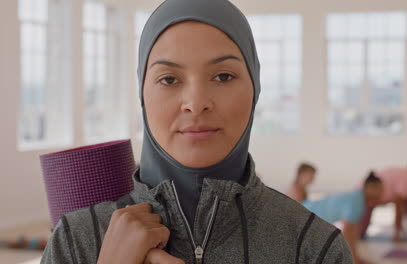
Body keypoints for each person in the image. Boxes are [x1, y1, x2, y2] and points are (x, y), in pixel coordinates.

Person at [40, 0, 353, 263]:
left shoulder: (314, 247)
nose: (196, 103)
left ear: (254, 89)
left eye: (223, 76)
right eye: (169, 79)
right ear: (142, 95)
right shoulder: (74, 239)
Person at [302, 172, 383, 264]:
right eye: (380, 189)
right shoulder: (357, 201)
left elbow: (353, 233)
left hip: (308, 212)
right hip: (307, 213)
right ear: (370, 187)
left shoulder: (358, 198)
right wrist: (354, 259)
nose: (381, 193)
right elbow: (347, 232)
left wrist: (356, 258)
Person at [360, 161, 407, 242]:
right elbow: (399, 207)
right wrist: (397, 233)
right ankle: (359, 235)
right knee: (361, 226)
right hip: (367, 193)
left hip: (371, 193)